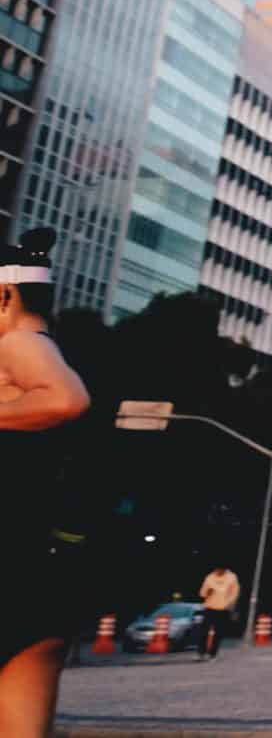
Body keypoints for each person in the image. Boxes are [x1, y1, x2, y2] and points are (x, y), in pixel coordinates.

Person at [0, 228, 92, 738]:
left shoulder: (17, 343)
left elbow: (65, 399)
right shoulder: (56, 347)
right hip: (40, 568)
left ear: (5, 296)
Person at [197, 565, 240, 660]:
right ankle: (201, 652)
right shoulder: (210, 577)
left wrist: (230, 604)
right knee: (204, 631)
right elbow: (202, 593)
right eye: (216, 570)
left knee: (219, 633)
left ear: (224, 570)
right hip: (210, 607)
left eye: (220, 570)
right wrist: (207, 592)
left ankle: (212, 653)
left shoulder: (232, 577)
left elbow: (235, 593)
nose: (217, 572)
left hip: (223, 609)